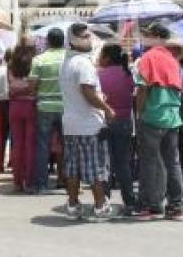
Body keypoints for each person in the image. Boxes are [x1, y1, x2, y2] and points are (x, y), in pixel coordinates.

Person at [59, 23, 114, 220]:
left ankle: (73, 205)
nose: (89, 39)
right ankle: (100, 206)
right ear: (74, 41)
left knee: (73, 168)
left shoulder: (66, 62)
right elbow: (87, 92)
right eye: (85, 36)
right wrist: (106, 108)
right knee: (96, 169)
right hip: (88, 124)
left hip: (71, 124)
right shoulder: (83, 63)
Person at [135, 26, 183, 220]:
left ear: (156, 37)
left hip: (153, 115)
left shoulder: (148, 58)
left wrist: (140, 113)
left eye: (147, 35)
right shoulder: (172, 60)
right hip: (172, 116)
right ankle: (176, 206)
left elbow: (142, 89)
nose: (145, 38)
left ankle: (149, 206)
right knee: (172, 162)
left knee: (149, 163)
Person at [97, 43, 135, 215]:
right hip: (125, 122)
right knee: (123, 163)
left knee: (104, 163)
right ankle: (129, 201)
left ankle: (104, 200)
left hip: (104, 121)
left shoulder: (99, 75)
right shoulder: (128, 74)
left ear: (107, 57)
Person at [29, 28, 66, 194]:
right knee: (68, 146)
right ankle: (69, 182)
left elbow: (32, 85)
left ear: (48, 41)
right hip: (66, 107)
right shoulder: (69, 59)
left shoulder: (39, 60)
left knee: (42, 146)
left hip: (44, 106)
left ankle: (41, 185)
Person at [8, 39, 38, 192]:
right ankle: (28, 180)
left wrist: (16, 92)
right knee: (29, 144)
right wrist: (27, 90)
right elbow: (33, 88)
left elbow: (11, 89)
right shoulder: (34, 64)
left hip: (14, 106)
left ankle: (17, 181)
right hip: (30, 106)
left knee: (17, 145)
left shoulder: (11, 66)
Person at [0, 49, 12, 173]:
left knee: (2, 133)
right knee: (14, 134)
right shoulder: (11, 70)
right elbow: (8, 90)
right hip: (10, 101)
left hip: (0, 103)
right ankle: (12, 160)